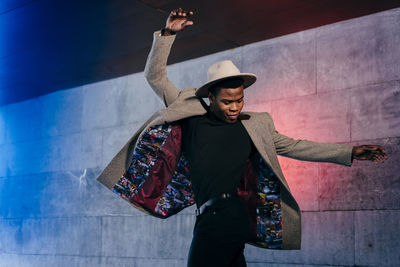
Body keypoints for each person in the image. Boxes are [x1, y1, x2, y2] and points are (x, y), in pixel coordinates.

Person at [96, 8, 388, 267]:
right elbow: (155, 77)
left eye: (240, 100)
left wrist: (349, 152)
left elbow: (297, 147)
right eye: (227, 102)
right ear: (210, 97)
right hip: (210, 217)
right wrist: (168, 34)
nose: (235, 107)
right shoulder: (191, 114)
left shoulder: (254, 127)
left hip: (227, 216)